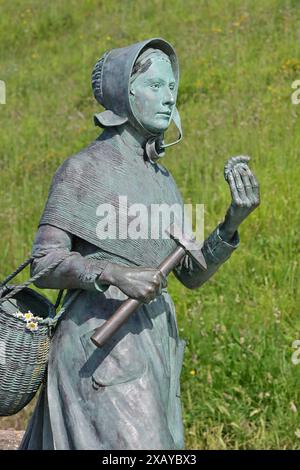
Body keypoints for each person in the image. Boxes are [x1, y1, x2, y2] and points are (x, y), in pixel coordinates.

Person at [19, 38, 260, 450]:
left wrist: (231, 223)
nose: (168, 99)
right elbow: (43, 263)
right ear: (124, 94)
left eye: (172, 88)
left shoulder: (163, 181)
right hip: (100, 347)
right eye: (155, 87)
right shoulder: (83, 169)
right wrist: (112, 273)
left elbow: (191, 275)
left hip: (154, 350)